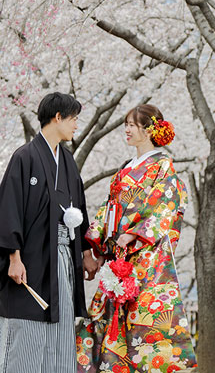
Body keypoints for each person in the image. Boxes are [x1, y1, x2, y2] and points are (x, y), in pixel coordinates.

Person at [76, 104, 197, 373]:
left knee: (144, 317)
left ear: (150, 129)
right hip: (119, 255)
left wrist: (133, 232)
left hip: (145, 257)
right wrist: (94, 243)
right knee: (109, 314)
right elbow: (110, 207)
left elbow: (167, 204)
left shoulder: (162, 165)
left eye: (132, 125)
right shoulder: (125, 168)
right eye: (126, 125)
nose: (127, 130)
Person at [0, 92, 98, 373]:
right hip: (31, 260)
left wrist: (85, 253)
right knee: (27, 328)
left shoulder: (69, 162)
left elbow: (79, 209)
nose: (76, 125)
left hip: (63, 260)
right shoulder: (24, 157)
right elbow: (9, 209)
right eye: (73, 119)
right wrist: (13, 257)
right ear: (57, 117)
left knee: (59, 328)